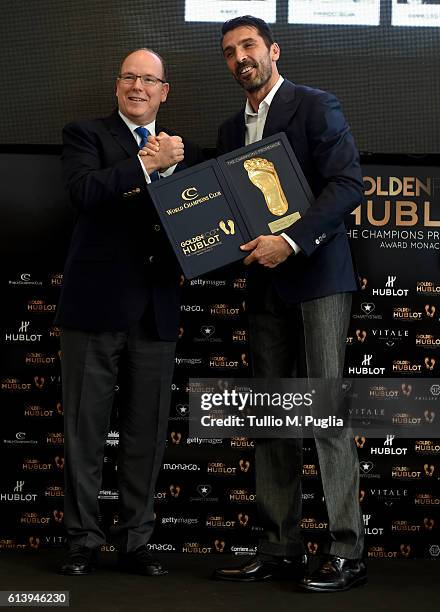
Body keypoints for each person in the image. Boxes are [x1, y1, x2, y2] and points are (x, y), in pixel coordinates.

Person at [213, 16, 366, 592]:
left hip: (319, 277)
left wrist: (292, 240)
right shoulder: (231, 129)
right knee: (273, 418)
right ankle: (280, 548)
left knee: (326, 411)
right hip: (263, 287)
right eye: (230, 52)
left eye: (248, 46)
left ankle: (348, 553)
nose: (240, 57)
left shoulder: (315, 105)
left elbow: (348, 184)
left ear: (273, 51)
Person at [56, 48, 203, 576]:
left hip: (157, 306)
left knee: (147, 433)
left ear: (165, 91)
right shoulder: (86, 135)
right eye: (129, 77)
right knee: (86, 431)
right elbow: (84, 193)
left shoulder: (183, 150)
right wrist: (146, 163)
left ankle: (135, 541)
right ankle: (82, 540)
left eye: (149, 80)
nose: (138, 86)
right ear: (117, 86)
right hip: (95, 305)